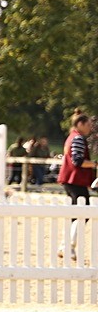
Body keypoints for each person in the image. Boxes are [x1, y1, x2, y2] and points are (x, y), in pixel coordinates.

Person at [57, 111, 96, 260]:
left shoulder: (72, 137)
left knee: (77, 213)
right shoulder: (78, 138)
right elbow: (78, 161)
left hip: (72, 179)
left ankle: (67, 245)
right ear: (80, 124)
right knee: (82, 213)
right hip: (75, 180)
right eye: (88, 124)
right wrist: (94, 164)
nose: (90, 128)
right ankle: (68, 245)